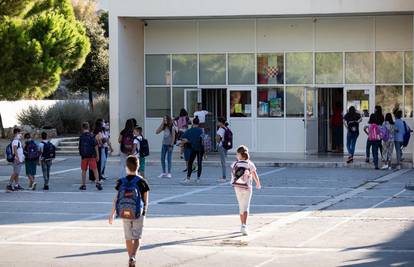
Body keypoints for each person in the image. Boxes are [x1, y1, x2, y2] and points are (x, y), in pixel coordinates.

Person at [109, 155, 150, 267]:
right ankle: (133, 256)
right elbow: (146, 200)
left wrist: (112, 214)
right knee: (137, 237)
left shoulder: (121, 182)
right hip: (138, 213)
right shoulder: (142, 182)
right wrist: (144, 212)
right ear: (138, 166)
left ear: (126, 167)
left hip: (124, 212)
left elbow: (116, 198)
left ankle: (129, 257)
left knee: (128, 237)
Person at [231, 145, 261, 236]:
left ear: (240, 155)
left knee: (241, 206)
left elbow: (232, 175)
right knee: (246, 206)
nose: (236, 155)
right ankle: (244, 225)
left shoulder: (235, 164)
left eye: (237, 154)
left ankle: (242, 225)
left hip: (237, 187)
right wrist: (258, 183)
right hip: (247, 187)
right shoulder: (250, 163)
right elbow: (255, 174)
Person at [79, 122, 103, 191]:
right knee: (95, 169)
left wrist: (81, 155)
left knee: (84, 170)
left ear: (82, 128)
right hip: (92, 155)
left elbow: (80, 147)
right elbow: (96, 146)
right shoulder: (92, 136)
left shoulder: (81, 137)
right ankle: (98, 183)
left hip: (84, 156)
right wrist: (97, 156)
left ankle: (83, 185)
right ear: (88, 127)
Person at [181, 116, 204, 183]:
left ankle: (188, 178)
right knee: (199, 163)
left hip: (192, 148)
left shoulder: (189, 130)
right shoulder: (201, 130)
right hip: (200, 148)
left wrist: (188, 141)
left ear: (192, 123)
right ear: (198, 123)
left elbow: (182, 138)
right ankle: (198, 178)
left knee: (190, 163)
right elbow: (203, 139)